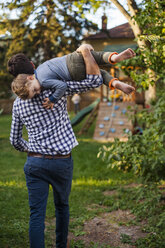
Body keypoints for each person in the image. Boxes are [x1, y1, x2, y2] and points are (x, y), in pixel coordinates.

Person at [10, 45, 103, 248]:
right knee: (62, 207)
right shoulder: (56, 88)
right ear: (30, 72)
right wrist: (86, 53)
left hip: (34, 163)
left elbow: (15, 140)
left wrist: (32, 149)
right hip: (61, 163)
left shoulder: (18, 103)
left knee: (36, 214)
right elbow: (95, 80)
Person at [8, 44, 135, 109]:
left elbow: (62, 86)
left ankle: (115, 84)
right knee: (98, 57)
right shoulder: (39, 69)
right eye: (36, 93)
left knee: (101, 74)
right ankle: (114, 58)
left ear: (30, 78)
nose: (38, 91)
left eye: (35, 90)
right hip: (71, 58)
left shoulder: (44, 83)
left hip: (73, 72)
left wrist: (52, 99)